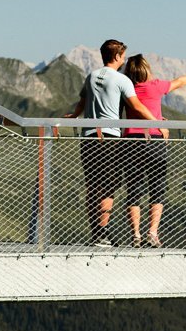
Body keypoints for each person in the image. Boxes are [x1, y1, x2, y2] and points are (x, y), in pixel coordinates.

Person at [66, 39, 158, 247]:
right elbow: (136, 105)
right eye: (123, 56)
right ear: (117, 56)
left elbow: (81, 104)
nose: (124, 60)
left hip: (88, 137)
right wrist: (156, 122)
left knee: (92, 185)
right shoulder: (121, 80)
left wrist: (73, 117)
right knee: (108, 187)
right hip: (109, 139)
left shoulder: (91, 76)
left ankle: (95, 232)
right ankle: (103, 233)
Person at [118, 54, 186, 248]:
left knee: (133, 189)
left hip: (131, 142)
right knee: (157, 187)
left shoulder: (127, 90)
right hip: (155, 141)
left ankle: (135, 234)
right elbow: (179, 82)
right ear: (146, 70)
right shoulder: (156, 86)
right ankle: (152, 232)